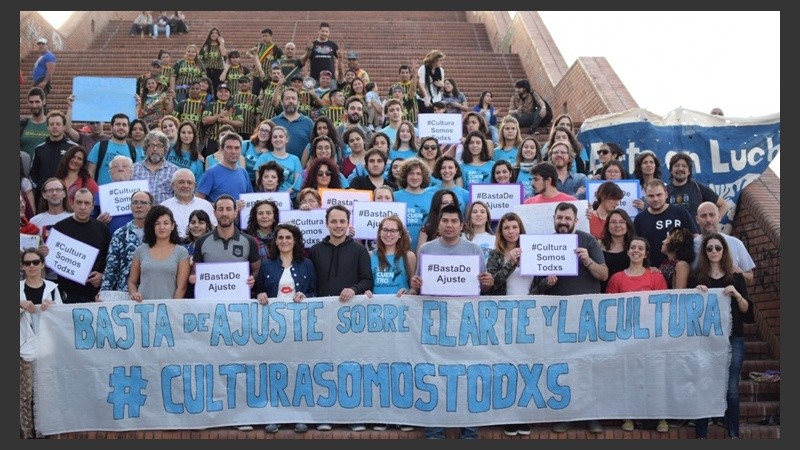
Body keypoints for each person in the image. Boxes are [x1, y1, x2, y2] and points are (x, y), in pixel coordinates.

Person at [410, 203, 493, 440]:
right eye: (445, 221)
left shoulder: (474, 249)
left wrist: (488, 281)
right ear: (439, 224)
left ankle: (470, 430)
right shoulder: (426, 249)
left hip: (465, 322)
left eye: (454, 221)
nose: (449, 225)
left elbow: (483, 287)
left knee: (467, 375)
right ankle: (434, 430)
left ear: (462, 225)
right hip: (434, 322)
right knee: (434, 376)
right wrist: (415, 286)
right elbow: (416, 288)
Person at [530, 202, 607, 435]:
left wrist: (587, 260)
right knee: (562, 369)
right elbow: (536, 287)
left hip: (586, 316)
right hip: (557, 318)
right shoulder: (544, 244)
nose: (563, 222)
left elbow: (603, 274)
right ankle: (565, 415)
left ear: (575, 221)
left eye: (567, 218)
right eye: (559, 218)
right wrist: (547, 282)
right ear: (554, 218)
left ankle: (592, 416)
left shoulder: (588, 241)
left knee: (588, 367)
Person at [308, 205, 373, 432]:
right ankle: (324, 414)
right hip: (322, 319)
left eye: (342, 221)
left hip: (350, 320)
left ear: (348, 223)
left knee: (350, 367)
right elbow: (310, 283)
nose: (337, 226)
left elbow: (367, 281)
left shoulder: (359, 250)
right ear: (327, 223)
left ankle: (354, 415)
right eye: (333, 221)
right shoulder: (315, 250)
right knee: (324, 367)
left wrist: (354, 289)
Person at [255, 222, 316, 435]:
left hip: (299, 327)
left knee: (298, 369)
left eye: (288, 238)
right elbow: (259, 291)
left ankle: (300, 415)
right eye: (280, 238)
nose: (284, 241)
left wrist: (306, 296)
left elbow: (315, 292)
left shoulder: (306, 264)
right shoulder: (267, 264)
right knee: (275, 370)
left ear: (295, 240)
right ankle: (275, 415)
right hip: (274, 328)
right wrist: (260, 295)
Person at [692, 233, 754, 440]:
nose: (714, 252)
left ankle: (733, 433)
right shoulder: (697, 278)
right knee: (704, 383)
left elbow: (747, 311)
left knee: (732, 387)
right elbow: (689, 311)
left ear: (724, 251)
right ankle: (701, 434)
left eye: (718, 248)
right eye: (709, 248)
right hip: (705, 340)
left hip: (733, 337)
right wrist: (695, 293)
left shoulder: (735, 277)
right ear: (704, 252)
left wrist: (737, 294)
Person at [605, 236, 669, 433]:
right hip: (626, 336)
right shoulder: (617, 278)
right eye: (633, 247)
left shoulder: (656, 277)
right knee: (628, 376)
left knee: (655, 377)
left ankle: (661, 418)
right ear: (627, 251)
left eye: (640, 248)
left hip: (651, 336)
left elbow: (664, 305)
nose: (636, 251)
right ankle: (628, 416)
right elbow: (609, 308)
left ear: (646, 253)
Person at [19, 248, 62, 439]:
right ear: (22, 266)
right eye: (27, 263)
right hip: (23, 348)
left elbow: (63, 318)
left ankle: (46, 433)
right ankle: (27, 434)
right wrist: (19, 304)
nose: (32, 266)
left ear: (42, 264)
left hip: (47, 349)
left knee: (46, 394)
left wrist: (52, 308)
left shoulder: (53, 288)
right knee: (24, 396)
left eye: (35, 262)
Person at [191, 194, 260, 297]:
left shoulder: (249, 241)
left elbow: (256, 269)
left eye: (228, 209)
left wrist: (252, 278)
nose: (224, 213)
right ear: (214, 213)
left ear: (235, 212)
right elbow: (195, 271)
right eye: (220, 209)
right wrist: (193, 277)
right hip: (210, 300)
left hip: (240, 299)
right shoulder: (202, 241)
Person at [50, 188, 111, 303]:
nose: (82, 207)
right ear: (72, 204)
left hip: (94, 292)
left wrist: (101, 275)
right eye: (79, 202)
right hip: (67, 292)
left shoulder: (102, 228)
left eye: (87, 203)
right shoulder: (60, 228)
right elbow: (53, 259)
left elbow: (109, 258)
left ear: (93, 206)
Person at [128, 205, 190, 301]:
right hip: (143, 309)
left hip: (169, 310)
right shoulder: (140, 251)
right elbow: (132, 282)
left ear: (172, 226)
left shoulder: (181, 252)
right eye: (157, 224)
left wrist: (173, 307)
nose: (162, 227)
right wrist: (134, 293)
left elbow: (182, 287)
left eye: (166, 223)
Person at [634, 179, 698, 268]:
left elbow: (694, 237)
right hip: (652, 271)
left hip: (681, 269)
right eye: (651, 196)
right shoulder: (640, 219)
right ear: (646, 196)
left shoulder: (680, 212)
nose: (655, 199)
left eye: (659, 195)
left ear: (666, 194)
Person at [99, 191, 154, 294]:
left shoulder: (158, 233)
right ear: (130, 206)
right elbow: (111, 268)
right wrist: (104, 293)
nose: (138, 206)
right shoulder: (120, 234)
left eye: (143, 203)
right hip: (125, 294)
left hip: (152, 293)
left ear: (151, 206)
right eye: (135, 203)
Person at [692, 201, 755, 284]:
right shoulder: (691, 246)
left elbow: (750, 278)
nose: (708, 219)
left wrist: (739, 274)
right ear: (697, 219)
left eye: (712, 215)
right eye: (703, 216)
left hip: (730, 294)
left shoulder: (736, 243)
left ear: (719, 216)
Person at [666, 153, 729, 228]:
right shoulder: (664, 191)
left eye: (684, 166)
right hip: (673, 237)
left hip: (696, 237)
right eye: (676, 165)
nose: (680, 168)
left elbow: (724, 205)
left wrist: (712, 223)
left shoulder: (698, 187)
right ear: (671, 170)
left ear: (689, 171)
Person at [29, 110, 79, 202]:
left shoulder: (73, 148)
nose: (55, 126)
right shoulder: (39, 149)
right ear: (47, 127)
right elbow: (33, 173)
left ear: (63, 126)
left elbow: (79, 172)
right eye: (52, 124)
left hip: (66, 198)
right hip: (43, 198)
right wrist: (42, 188)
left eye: (58, 124)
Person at [196, 132, 253, 202]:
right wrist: (220, 207)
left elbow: (250, 200)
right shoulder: (211, 173)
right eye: (229, 147)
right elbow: (198, 200)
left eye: (237, 148)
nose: (233, 151)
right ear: (222, 149)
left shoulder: (243, 172)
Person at [160, 168, 216, 239]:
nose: (186, 186)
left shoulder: (205, 205)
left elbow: (213, 229)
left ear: (194, 186)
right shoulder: (164, 207)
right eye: (181, 182)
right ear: (173, 185)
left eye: (189, 182)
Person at [394, 158, 435, 251]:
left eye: (418, 174)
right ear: (405, 176)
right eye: (411, 173)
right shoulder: (395, 196)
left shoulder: (432, 197)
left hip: (426, 248)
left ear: (423, 176)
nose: (415, 177)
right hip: (400, 249)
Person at [86, 113, 137, 185]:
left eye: (124, 125)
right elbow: (90, 172)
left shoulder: (133, 151)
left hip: (125, 194)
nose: (121, 127)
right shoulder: (99, 146)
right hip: (102, 194)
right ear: (111, 127)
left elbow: (136, 175)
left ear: (128, 128)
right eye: (118, 124)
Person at [253, 126, 303, 194]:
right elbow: (258, 181)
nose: (278, 139)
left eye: (281, 136)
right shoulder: (263, 157)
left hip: (289, 198)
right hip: (267, 197)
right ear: (271, 140)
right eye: (275, 137)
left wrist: (283, 196)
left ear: (287, 139)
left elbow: (298, 183)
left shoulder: (295, 159)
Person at [272, 88, 315, 160]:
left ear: (298, 102)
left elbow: (314, 147)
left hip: (301, 168)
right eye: (287, 98)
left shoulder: (309, 123)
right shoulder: (273, 122)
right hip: (276, 168)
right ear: (282, 102)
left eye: (293, 98)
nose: (290, 101)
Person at [599, 208, 635, 293]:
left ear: (627, 226)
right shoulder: (598, 245)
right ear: (607, 226)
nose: (617, 225)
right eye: (613, 222)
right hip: (603, 293)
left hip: (628, 292)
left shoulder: (635, 246)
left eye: (622, 222)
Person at [181, 209, 213, 299]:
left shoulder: (214, 246)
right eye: (193, 222)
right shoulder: (182, 247)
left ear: (207, 226)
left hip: (208, 291)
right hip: (186, 291)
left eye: (201, 222)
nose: (196, 226)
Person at [417, 189, 462, 253]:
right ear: (437, 205)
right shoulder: (427, 229)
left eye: (452, 203)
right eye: (445, 203)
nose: (449, 206)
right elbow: (420, 255)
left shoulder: (462, 227)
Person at [658, 226, 695, 290]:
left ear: (676, 242)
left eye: (667, 239)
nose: (663, 241)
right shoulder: (666, 262)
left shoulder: (681, 265)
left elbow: (679, 293)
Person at [20, 87, 49, 164]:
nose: (34, 105)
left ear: (44, 101)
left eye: (37, 102)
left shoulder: (52, 124)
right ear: (28, 103)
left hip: (44, 172)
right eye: (31, 102)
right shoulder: (22, 124)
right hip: (24, 173)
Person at [416, 49, 446, 114]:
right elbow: (421, 85)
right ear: (435, 60)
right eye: (440, 60)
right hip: (424, 99)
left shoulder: (441, 70)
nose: (442, 62)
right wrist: (426, 98)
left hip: (436, 99)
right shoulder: (423, 68)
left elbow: (441, 86)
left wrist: (442, 85)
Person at [514, 136, 543, 201]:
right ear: (521, 150)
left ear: (537, 151)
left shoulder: (543, 171)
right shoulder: (514, 171)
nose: (528, 149)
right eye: (526, 147)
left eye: (532, 148)